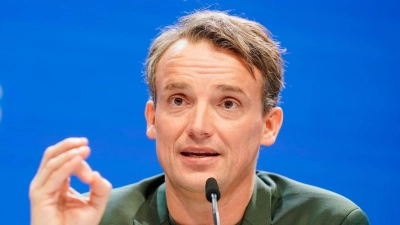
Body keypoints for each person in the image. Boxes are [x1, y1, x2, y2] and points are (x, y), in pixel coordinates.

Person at [29, 10, 369, 225]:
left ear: (269, 125)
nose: (199, 127)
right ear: (152, 118)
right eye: (179, 100)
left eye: (228, 104)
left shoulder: (327, 220)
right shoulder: (95, 220)